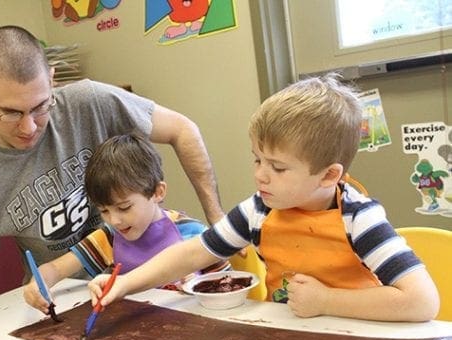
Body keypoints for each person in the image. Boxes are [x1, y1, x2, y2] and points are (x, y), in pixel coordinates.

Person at [89, 74, 440, 322]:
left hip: (363, 338)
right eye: (257, 159)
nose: (260, 175)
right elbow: (191, 253)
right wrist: (123, 284)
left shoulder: (358, 218)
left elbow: (422, 301)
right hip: (293, 337)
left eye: (278, 167)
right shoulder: (260, 209)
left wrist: (327, 301)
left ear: (329, 175)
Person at [0, 25, 224, 310]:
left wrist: (217, 218)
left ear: (51, 80)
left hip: (140, 288)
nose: (29, 127)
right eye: (11, 112)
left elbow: (183, 130)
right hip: (60, 300)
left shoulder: (88, 102)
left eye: (41, 106)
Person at [22, 133, 230, 313]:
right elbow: (55, 269)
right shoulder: (109, 237)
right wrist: (38, 284)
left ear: (158, 192)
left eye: (124, 208)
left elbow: (229, 288)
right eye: (104, 210)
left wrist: (198, 285)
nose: (114, 220)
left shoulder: (194, 235)